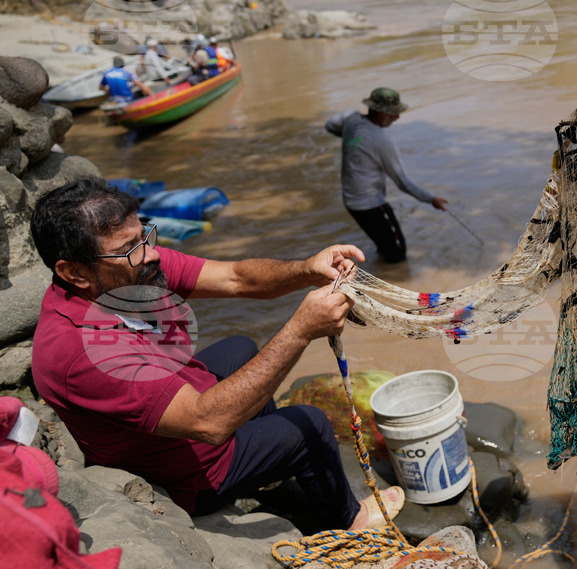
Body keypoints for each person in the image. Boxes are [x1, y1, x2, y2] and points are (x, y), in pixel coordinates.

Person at [29, 178, 405, 532]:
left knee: (241, 347)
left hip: (175, 414)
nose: (150, 254)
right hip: (183, 477)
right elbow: (207, 423)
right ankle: (348, 518)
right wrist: (300, 330)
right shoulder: (81, 352)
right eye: (128, 249)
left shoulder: (125, 272)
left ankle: (266, 460)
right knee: (310, 424)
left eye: (143, 236)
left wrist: (306, 269)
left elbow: (236, 278)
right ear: (74, 272)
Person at [325, 87, 448, 264]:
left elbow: (329, 125)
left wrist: (348, 137)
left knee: (384, 245)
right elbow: (402, 182)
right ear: (382, 113)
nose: (397, 117)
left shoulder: (350, 119)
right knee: (398, 253)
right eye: (393, 113)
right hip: (370, 204)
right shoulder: (381, 140)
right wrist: (431, 199)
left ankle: (379, 269)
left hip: (351, 201)